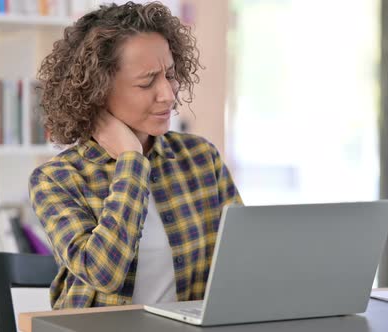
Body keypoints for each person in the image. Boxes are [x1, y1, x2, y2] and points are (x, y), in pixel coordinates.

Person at [29, 1, 242, 309]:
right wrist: (131, 162)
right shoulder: (56, 179)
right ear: (97, 89)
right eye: (147, 81)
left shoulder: (201, 158)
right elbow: (104, 273)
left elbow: (242, 262)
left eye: (170, 75)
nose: (168, 94)